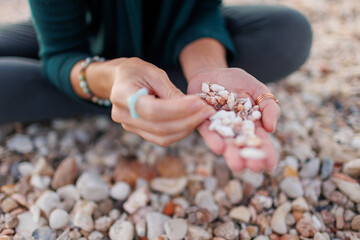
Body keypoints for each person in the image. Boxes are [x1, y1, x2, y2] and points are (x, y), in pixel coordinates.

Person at [0, 0, 312, 172]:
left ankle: (144, 94)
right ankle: (138, 91)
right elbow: (61, 51)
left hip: (173, 40)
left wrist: (209, 71)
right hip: (86, 40)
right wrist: (114, 75)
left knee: (288, 31)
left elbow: (201, 13)